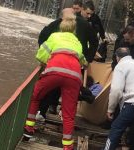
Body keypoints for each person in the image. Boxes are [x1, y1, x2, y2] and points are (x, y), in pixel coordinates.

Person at [24, 13, 87, 150]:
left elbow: (40, 55)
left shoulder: (54, 36)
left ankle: (28, 129)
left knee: (35, 96)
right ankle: (67, 146)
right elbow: (83, 61)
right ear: (74, 30)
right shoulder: (77, 42)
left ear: (61, 27)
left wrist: (48, 62)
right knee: (69, 113)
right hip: (74, 76)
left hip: (55, 71)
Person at [38, 7, 98, 117]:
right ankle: (63, 114)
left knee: (48, 90)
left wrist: (46, 57)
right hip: (75, 66)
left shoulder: (58, 24)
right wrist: (87, 60)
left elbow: (42, 36)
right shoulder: (84, 27)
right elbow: (95, 42)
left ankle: (43, 113)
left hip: (56, 65)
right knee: (70, 91)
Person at [104, 47, 134, 150]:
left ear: (116, 57)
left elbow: (116, 90)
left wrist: (110, 109)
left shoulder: (121, 66)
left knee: (116, 127)